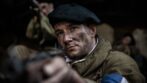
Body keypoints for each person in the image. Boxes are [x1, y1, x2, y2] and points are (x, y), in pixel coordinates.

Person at [26, 3, 145, 83]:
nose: (66, 38)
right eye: (59, 33)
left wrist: (73, 79)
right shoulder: (52, 59)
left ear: (92, 31)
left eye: (73, 29)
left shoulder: (118, 62)